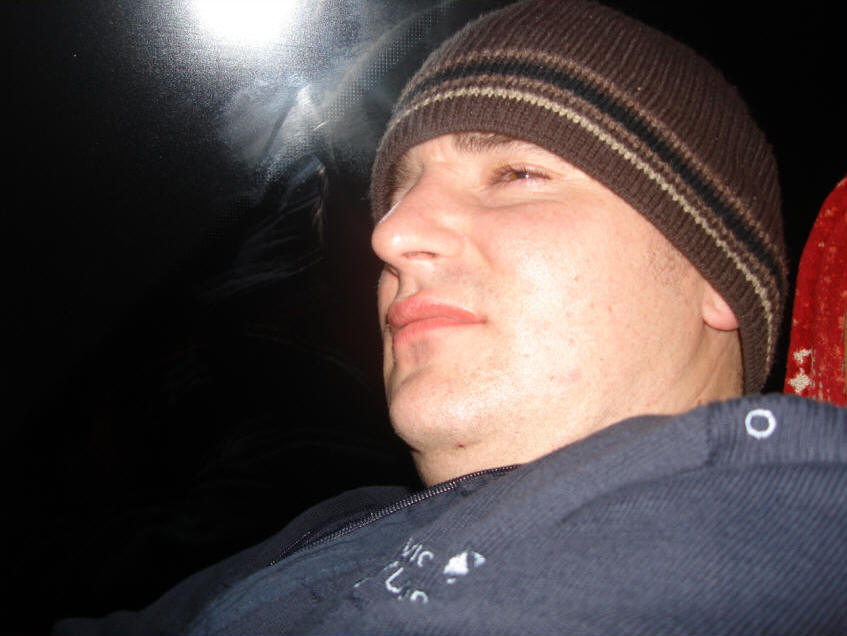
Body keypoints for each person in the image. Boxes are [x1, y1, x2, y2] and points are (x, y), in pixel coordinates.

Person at [53, 1, 847, 634]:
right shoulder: (338, 526)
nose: (389, 235)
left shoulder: (776, 544)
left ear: (713, 272)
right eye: (398, 194)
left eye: (515, 173)